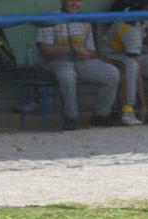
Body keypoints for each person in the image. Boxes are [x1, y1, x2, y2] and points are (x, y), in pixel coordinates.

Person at [36, 0, 121, 130]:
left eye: (78, 1)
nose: (75, 3)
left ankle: (100, 115)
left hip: (80, 62)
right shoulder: (49, 18)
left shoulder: (84, 19)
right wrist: (72, 48)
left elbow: (91, 51)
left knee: (112, 72)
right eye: (71, 0)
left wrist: (87, 54)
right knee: (68, 73)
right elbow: (45, 50)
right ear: (62, 1)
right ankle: (71, 117)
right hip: (53, 63)